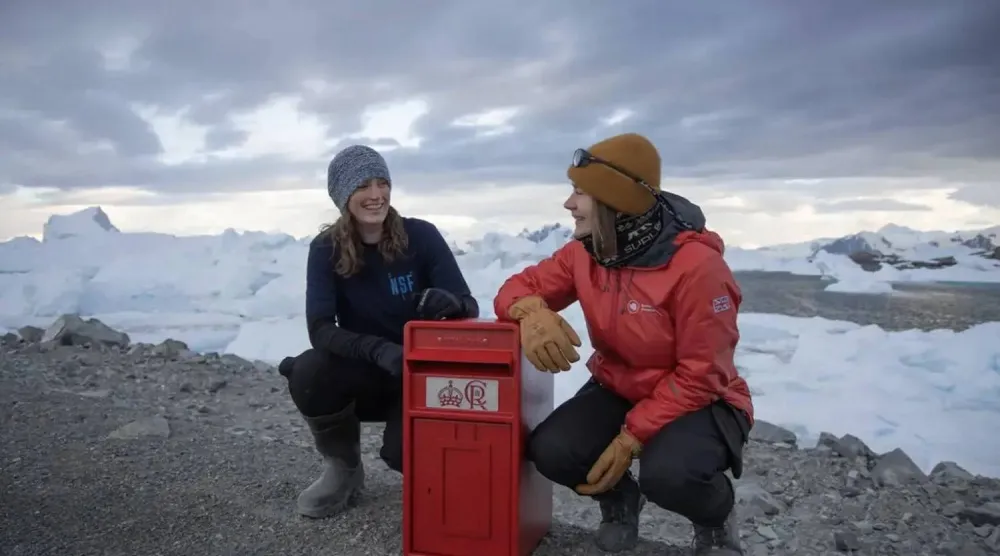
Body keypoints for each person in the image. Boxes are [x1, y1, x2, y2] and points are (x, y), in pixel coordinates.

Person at [493, 133, 754, 555]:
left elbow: (703, 374)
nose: (568, 204)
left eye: (579, 193)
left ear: (613, 201)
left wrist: (631, 436)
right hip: (621, 384)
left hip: (702, 398)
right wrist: (529, 311)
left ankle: (716, 517)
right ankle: (620, 502)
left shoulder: (698, 268)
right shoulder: (590, 251)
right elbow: (517, 287)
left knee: (668, 475)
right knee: (553, 450)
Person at [278, 144, 479, 519]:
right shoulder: (326, 249)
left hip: (423, 376)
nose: (376, 195)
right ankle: (345, 470)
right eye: (363, 186)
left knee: (402, 454)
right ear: (343, 196)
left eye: (381, 183)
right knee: (308, 371)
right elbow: (320, 329)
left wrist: (451, 304)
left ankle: (456, 491)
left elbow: (469, 303)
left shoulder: (421, 237)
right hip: (370, 373)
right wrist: (377, 351)